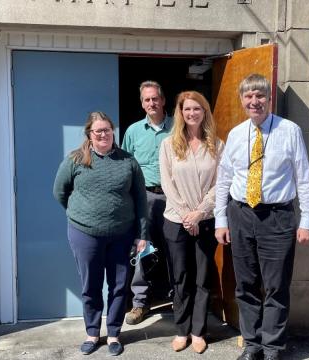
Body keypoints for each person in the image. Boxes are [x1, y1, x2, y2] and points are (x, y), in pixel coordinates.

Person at [214, 74, 309, 360]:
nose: (254, 101)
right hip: (241, 214)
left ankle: (272, 347)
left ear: (269, 99)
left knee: (275, 285)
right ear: (242, 100)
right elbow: (224, 180)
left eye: (260, 96)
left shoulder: (290, 131)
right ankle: (252, 344)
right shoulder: (235, 134)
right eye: (248, 96)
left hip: (277, 217)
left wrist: (307, 220)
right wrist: (221, 220)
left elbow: (303, 178)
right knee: (245, 284)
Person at [53, 111, 147, 356]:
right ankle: (92, 332)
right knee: (91, 285)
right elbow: (59, 192)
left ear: (113, 131)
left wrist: (141, 234)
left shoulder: (128, 161)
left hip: (122, 234)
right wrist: (80, 214)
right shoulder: (75, 160)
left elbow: (140, 199)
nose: (104, 134)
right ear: (89, 134)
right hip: (85, 234)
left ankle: (114, 333)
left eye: (107, 129)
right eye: (98, 131)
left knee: (118, 286)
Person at [159, 91, 224, 354]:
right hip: (176, 221)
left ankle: (199, 331)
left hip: (205, 221)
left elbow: (221, 184)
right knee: (181, 277)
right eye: (187, 109)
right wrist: (187, 215)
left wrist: (200, 213)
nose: (192, 113)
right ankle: (181, 330)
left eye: (197, 109)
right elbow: (167, 183)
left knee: (203, 277)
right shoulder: (168, 144)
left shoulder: (217, 145)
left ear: (204, 112)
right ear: (180, 113)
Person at [121, 80, 174, 325]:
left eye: (155, 98)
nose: (151, 103)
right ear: (142, 103)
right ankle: (140, 303)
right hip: (145, 198)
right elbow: (125, 167)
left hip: (176, 197)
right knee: (144, 248)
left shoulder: (178, 126)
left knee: (177, 248)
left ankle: (180, 298)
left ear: (163, 100)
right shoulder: (133, 131)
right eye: (146, 100)